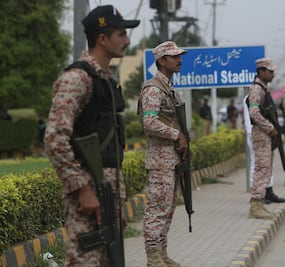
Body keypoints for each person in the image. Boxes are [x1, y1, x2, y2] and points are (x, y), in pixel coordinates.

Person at [44, 5, 139, 266]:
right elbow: (54, 138)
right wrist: (82, 188)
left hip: (108, 193)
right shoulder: (78, 78)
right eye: (121, 34)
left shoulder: (104, 79)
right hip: (89, 193)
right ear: (102, 38)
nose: (127, 40)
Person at [138, 41, 188, 267]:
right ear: (161, 61)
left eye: (179, 56)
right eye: (173, 56)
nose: (179, 60)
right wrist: (176, 135)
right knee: (157, 209)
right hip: (160, 160)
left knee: (167, 208)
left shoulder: (168, 87)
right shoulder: (153, 88)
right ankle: (152, 257)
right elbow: (149, 123)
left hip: (172, 159)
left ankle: (162, 253)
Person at [247, 57, 279, 219]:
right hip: (261, 133)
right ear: (261, 71)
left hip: (265, 134)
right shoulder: (256, 89)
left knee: (266, 168)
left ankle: (259, 202)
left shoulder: (263, 88)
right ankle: (255, 205)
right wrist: (269, 127)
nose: (272, 74)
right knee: (261, 168)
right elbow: (254, 112)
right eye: (270, 71)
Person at [243, 94, 285, 204]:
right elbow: (250, 118)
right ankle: (256, 194)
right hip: (255, 134)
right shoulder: (251, 97)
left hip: (265, 134)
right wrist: (251, 134)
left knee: (268, 162)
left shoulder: (263, 95)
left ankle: (268, 191)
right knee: (256, 163)